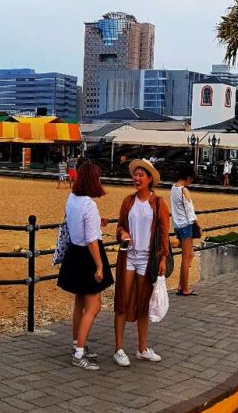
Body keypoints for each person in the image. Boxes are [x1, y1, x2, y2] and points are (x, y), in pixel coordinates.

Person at [112, 159, 171, 367]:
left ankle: (142, 348)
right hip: (128, 256)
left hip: (148, 259)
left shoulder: (159, 203)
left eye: (140, 175)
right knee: (122, 300)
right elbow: (119, 226)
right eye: (135, 174)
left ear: (149, 179)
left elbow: (164, 233)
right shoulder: (128, 201)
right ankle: (119, 349)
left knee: (144, 303)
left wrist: (163, 257)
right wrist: (123, 233)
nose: (136, 178)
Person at [57, 160, 111, 371]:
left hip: (74, 254)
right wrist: (99, 266)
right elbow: (91, 239)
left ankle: (77, 345)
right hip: (88, 256)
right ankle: (79, 352)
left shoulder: (72, 198)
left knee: (80, 302)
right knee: (93, 306)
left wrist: (98, 221)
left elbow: (76, 225)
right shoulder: (89, 204)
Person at [169, 164, 199, 296]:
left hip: (178, 226)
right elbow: (190, 211)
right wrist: (197, 225)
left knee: (189, 255)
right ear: (188, 177)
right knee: (186, 258)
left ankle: (181, 285)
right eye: (191, 179)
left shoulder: (173, 188)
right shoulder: (184, 190)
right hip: (186, 226)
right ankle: (184, 288)